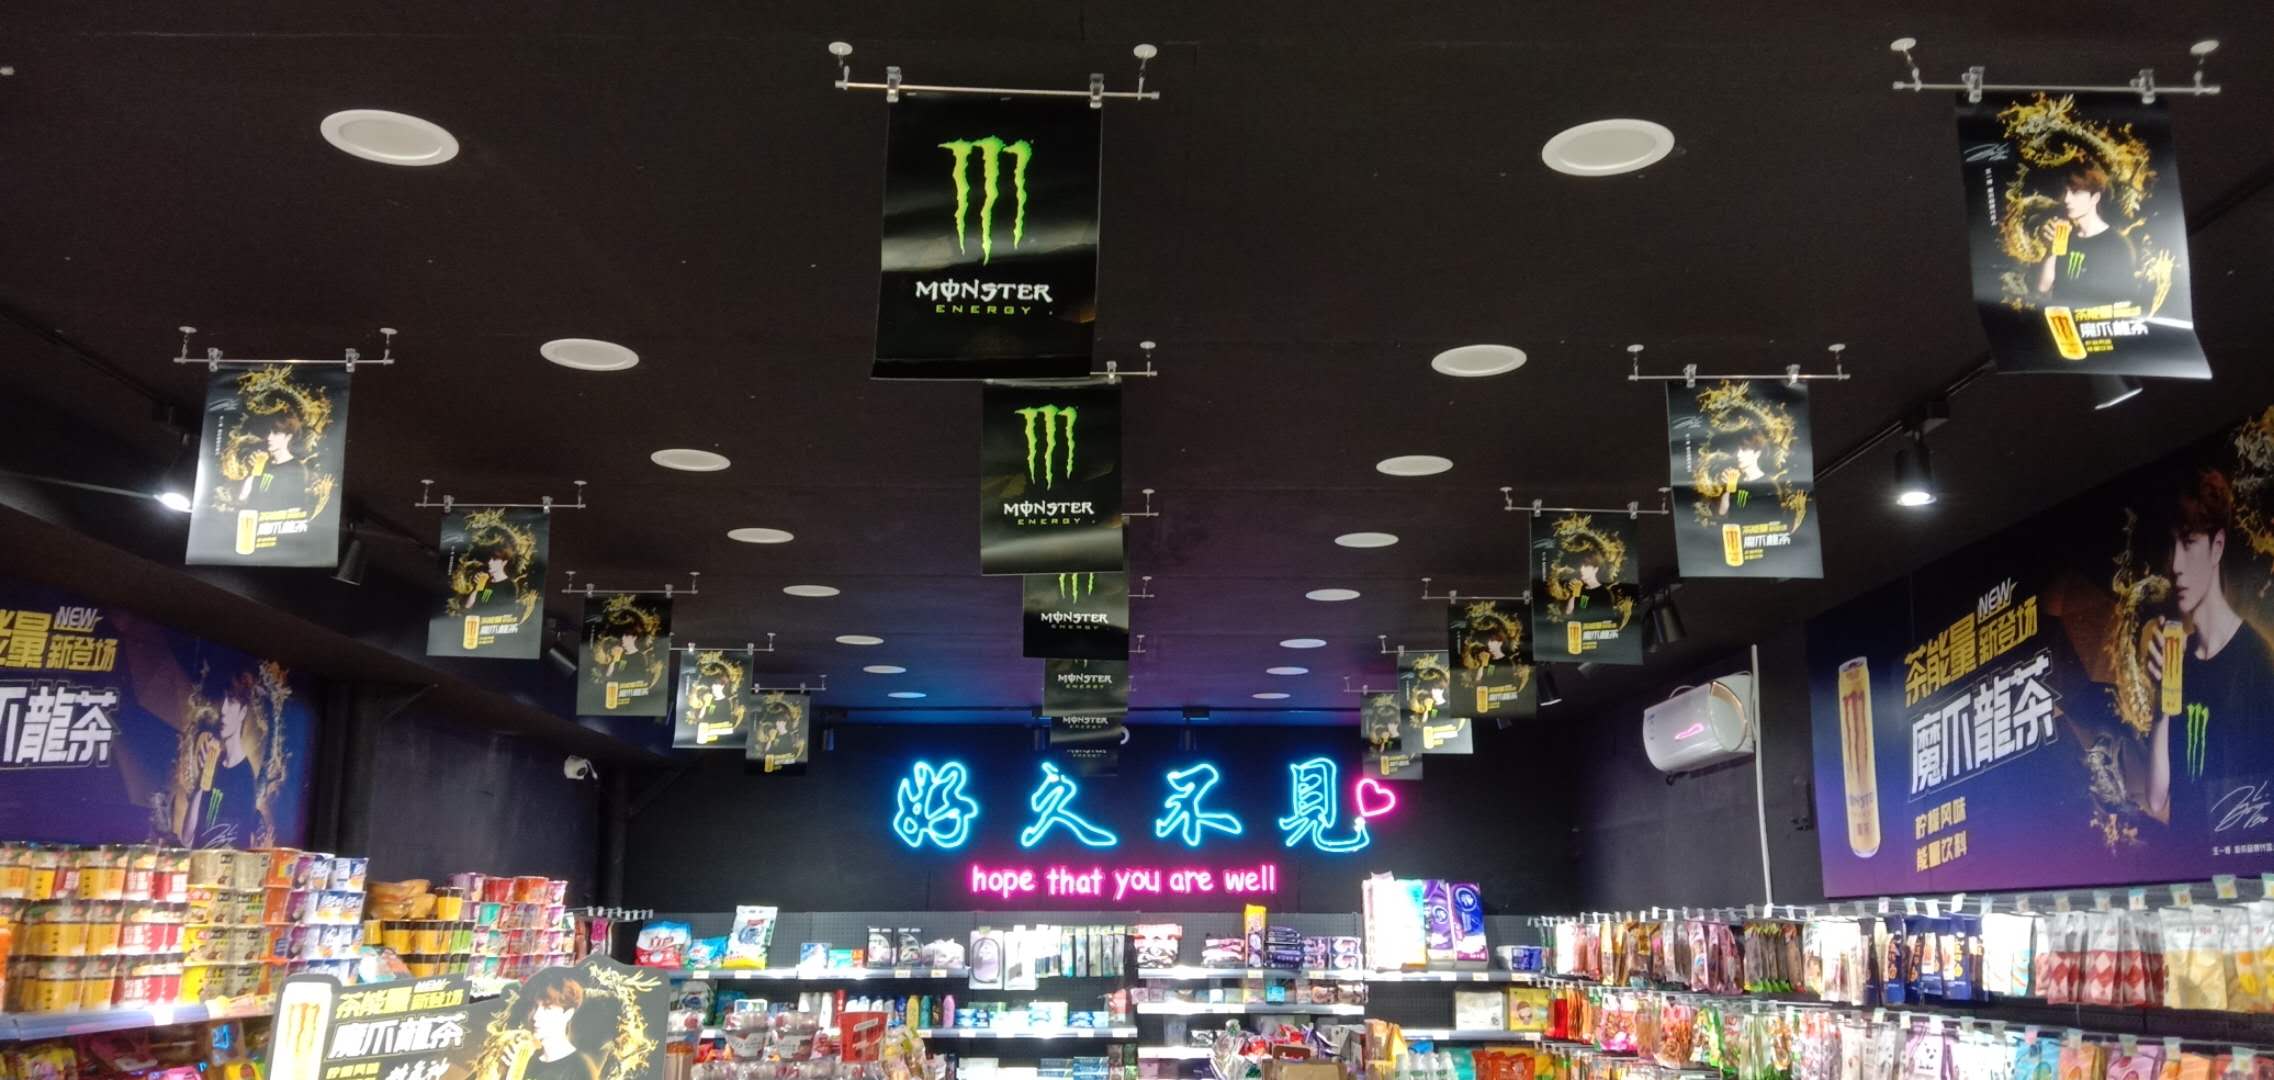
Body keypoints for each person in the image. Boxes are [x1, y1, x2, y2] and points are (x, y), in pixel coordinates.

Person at [2141, 466, 2274, 849]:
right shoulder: (2177, 663)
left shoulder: (2258, 663)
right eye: (2171, 547)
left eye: (2188, 543)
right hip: (2187, 868)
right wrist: (2162, 705)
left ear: (2217, 546)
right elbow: (2156, 798)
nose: (2175, 565)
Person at [175, 672, 264, 848]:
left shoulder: (245, 777)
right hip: (198, 862)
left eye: (231, 702)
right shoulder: (212, 764)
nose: (223, 710)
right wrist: (202, 783)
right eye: (222, 702)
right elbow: (187, 838)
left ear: (242, 712)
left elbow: (241, 847)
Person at [2033, 164, 2139, 309]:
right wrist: (2052, 250)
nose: (2067, 199)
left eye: (2075, 192)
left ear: (2095, 198)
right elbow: (2043, 287)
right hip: (2063, 319)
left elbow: (2125, 301)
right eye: (2066, 192)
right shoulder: (2066, 237)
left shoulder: (2117, 244)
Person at [505, 968, 601, 1080]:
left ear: (568, 1014)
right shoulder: (528, 1061)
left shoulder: (580, 1068)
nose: (535, 1016)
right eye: (534, 1007)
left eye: (547, 1008)